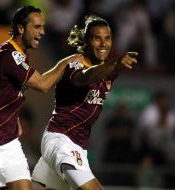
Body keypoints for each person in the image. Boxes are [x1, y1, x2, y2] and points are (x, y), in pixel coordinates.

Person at [0, 5, 80, 190]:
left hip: (8, 141)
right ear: (21, 28)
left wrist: (13, 118)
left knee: (23, 187)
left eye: (43, 27)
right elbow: (42, 84)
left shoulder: (21, 55)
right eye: (37, 27)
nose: (43, 32)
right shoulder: (8, 54)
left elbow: (0, 91)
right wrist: (65, 62)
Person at [32, 15, 138, 190]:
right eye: (97, 38)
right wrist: (116, 62)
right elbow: (86, 78)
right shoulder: (74, 64)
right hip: (61, 139)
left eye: (107, 38)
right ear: (86, 41)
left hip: (78, 146)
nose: (103, 44)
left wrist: (113, 65)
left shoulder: (110, 70)